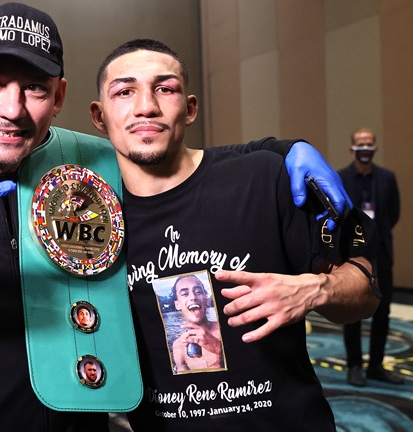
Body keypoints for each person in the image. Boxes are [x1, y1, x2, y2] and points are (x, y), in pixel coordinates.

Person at [0, 3, 359, 431]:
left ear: (59, 97)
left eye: (34, 88)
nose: (12, 109)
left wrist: (281, 147)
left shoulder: (79, 162)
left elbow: (158, 150)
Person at [88, 38, 379, 430]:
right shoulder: (92, 224)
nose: (146, 106)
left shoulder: (262, 178)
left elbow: (367, 289)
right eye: (124, 91)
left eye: (165, 88)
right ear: (99, 116)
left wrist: (317, 289)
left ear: (190, 108)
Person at [341, 127, 403, 386]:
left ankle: (375, 365)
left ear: (375, 148)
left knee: (383, 312)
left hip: (382, 254)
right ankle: (354, 365)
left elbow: (393, 213)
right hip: (352, 256)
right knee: (352, 311)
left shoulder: (387, 178)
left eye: (369, 144)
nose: (365, 148)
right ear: (352, 149)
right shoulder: (341, 177)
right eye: (360, 144)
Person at [170, 274, 223, 372]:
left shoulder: (224, 329)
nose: (193, 297)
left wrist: (218, 348)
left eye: (198, 292)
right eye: (185, 294)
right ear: (177, 305)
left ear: (206, 300)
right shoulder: (178, 346)